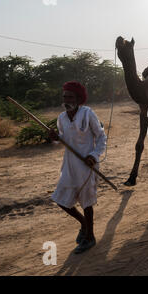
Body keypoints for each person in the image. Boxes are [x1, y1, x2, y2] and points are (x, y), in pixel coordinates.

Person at [49, 81, 107, 254]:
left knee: (87, 202)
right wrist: (54, 137)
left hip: (87, 165)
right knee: (61, 199)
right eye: (64, 96)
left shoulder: (88, 113)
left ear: (78, 98)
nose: (66, 99)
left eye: (70, 96)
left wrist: (94, 155)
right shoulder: (61, 118)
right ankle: (83, 224)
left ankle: (90, 237)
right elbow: (63, 138)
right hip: (69, 165)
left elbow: (101, 137)